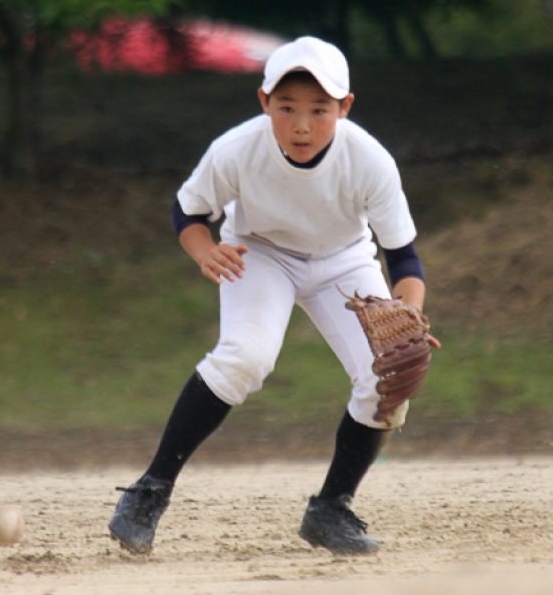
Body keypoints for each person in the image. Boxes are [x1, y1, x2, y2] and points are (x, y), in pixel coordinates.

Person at [109, 36, 430, 556]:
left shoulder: (369, 160)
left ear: (345, 107)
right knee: (246, 357)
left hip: (344, 261)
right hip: (259, 252)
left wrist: (407, 316)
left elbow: (405, 260)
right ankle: (150, 491)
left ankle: (331, 509)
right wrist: (203, 251)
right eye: (286, 107)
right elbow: (188, 211)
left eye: (320, 109)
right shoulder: (238, 150)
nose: (302, 124)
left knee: (388, 377)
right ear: (263, 102)